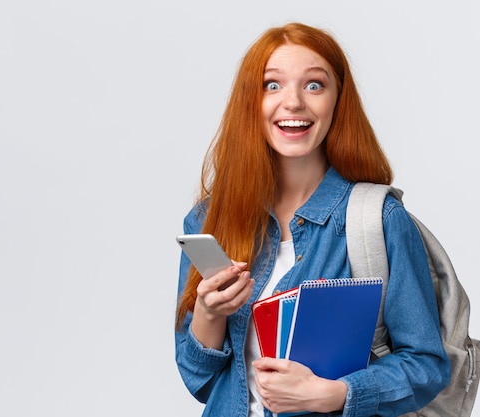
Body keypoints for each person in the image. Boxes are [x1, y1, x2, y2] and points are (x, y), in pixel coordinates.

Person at [175, 22, 450, 417]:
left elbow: (426, 365)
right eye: (272, 85)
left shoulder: (380, 219)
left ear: (338, 100)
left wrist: (335, 394)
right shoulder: (209, 220)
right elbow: (198, 381)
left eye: (314, 85)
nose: (293, 103)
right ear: (250, 102)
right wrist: (209, 312)